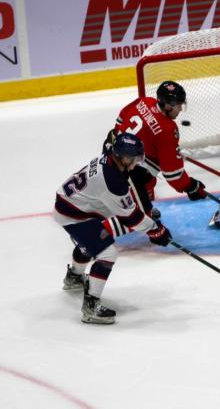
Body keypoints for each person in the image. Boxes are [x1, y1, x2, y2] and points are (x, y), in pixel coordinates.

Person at [55, 133, 173, 324]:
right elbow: (131, 217)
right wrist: (155, 229)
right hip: (74, 214)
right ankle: (91, 307)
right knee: (107, 253)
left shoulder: (109, 159)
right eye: (134, 159)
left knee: (93, 243)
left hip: (76, 203)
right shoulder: (112, 180)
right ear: (124, 158)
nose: (136, 162)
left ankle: (74, 277)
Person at [105, 80, 207, 217]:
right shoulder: (167, 129)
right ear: (168, 106)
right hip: (129, 172)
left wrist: (120, 137)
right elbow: (172, 173)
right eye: (178, 106)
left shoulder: (145, 101)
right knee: (142, 206)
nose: (181, 110)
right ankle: (133, 211)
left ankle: (121, 200)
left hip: (110, 151)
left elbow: (121, 117)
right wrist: (189, 186)